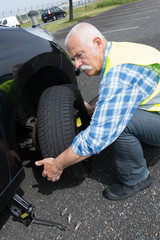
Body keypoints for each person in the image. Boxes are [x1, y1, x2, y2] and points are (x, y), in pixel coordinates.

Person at [35, 22, 160, 201]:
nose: (77, 65)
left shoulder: (119, 73)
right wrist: (94, 110)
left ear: (97, 43)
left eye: (79, 55)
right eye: (73, 59)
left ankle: (136, 178)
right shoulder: (118, 51)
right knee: (110, 110)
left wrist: (58, 163)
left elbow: (98, 136)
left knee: (120, 125)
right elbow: (122, 94)